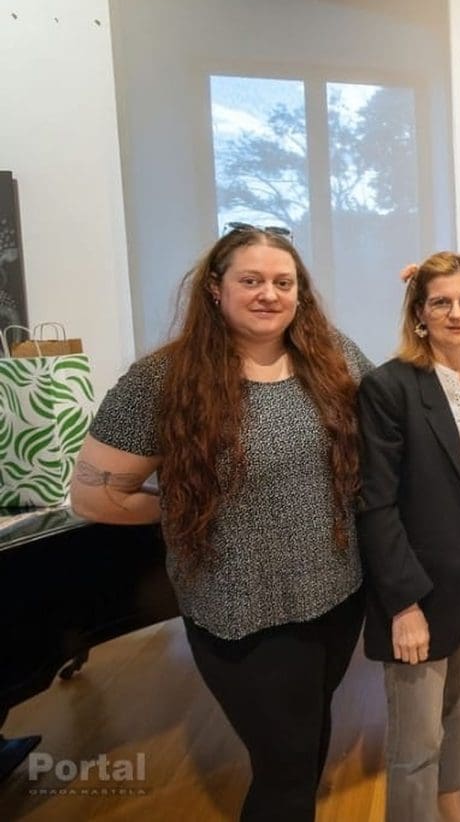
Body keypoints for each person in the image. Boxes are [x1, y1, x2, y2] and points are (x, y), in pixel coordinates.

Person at [70, 224, 369, 822]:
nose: (269, 294)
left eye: (283, 282)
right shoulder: (161, 379)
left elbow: (392, 419)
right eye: (251, 280)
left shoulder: (332, 355)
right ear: (215, 287)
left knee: (308, 740)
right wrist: (192, 503)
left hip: (336, 595)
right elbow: (93, 497)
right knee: (285, 768)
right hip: (241, 610)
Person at [356, 252, 460, 822]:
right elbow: (376, 505)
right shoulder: (389, 387)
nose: (457, 313)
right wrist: (403, 604)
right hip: (421, 571)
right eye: (442, 302)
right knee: (418, 728)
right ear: (419, 314)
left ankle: (449, 800)